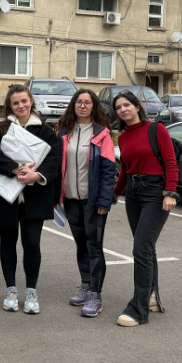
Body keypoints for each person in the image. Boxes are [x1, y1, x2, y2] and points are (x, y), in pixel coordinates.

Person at [0, 84, 62, 314]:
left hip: (34, 197)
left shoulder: (46, 131)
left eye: (24, 101)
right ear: (10, 105)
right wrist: (15, 169)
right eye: (15, 102)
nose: (20, 106)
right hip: (5, 197)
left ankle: (31, 291)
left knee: (32, 243)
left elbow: (53, 159)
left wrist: (37, 175)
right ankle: (10, 289)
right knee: (7, 244)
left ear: (31, 102)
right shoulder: (1, 129)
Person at [111, 91, 178, 327]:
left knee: (140, 248)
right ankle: (151, 298)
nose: (122, 109)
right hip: (133, 193)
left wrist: (170, 192)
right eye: (118, 107)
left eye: (126, 104)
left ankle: (139, 310)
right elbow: (126, 169)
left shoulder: (156, 129)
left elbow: (170, 161)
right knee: (146, 248)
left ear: (137, 106)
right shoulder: (123, 137)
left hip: (155, 193)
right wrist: (115, 194)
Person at [56, 89, 118, 317]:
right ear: (73, 105)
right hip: (71, 200)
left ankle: (95, 294)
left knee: (94, 247)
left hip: (93, 202)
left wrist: (104, 200)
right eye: (79, 102)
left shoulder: (102, 134)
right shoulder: (64, 132)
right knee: (81, 245)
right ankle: (85, 285)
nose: (83, 106)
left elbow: (108, 170)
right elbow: (57, 166)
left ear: (94, 106)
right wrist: (57, 196)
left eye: (87, 102)